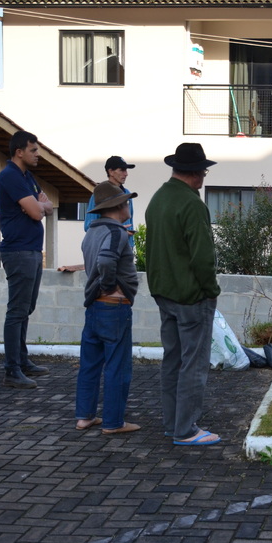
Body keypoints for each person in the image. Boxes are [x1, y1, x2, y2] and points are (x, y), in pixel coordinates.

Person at [145, 143, 222, 446]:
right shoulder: (191, 204)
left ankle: (171, 423)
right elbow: (202, 257)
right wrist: (211, 290)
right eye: (203, 171)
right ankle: (186, 430)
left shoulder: (158, 199)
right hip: (192, 296)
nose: (204, 177)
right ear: (195, 174)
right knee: (194, 363)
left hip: (164, 293)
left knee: (173, 360)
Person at [75, 182, 142, 435]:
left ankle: (84, 417)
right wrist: (110, 286)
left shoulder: (91, 232)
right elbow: (105, 260)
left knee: (90, 364)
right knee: (117, 366)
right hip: (113, 308)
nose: (129, 206)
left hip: (93, 307)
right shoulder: (117, 233)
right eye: (126, 202)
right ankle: (114, 422)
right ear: (118, 206)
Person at [0, 130, 53, 389]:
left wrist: (39, 206)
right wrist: (37, 207)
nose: (37, 154)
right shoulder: (9, 176)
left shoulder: (26, 177)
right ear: (19, 152)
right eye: (33, 150)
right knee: (17, 311)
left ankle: (22, 360)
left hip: (30, 250)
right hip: (18, 251)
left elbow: (47, 206)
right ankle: (12, 369)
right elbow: (36, 212)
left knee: (26, 308)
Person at [84, 156, 135, 240]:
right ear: (111, 171)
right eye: (122, 170)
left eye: (126, 170)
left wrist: (130, 243)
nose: (126, 174)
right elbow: (89, 226)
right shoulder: (99, 194)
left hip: (126, 245)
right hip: (107, 246)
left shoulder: (127, 194)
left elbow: (130, 221)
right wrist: (116, 230)